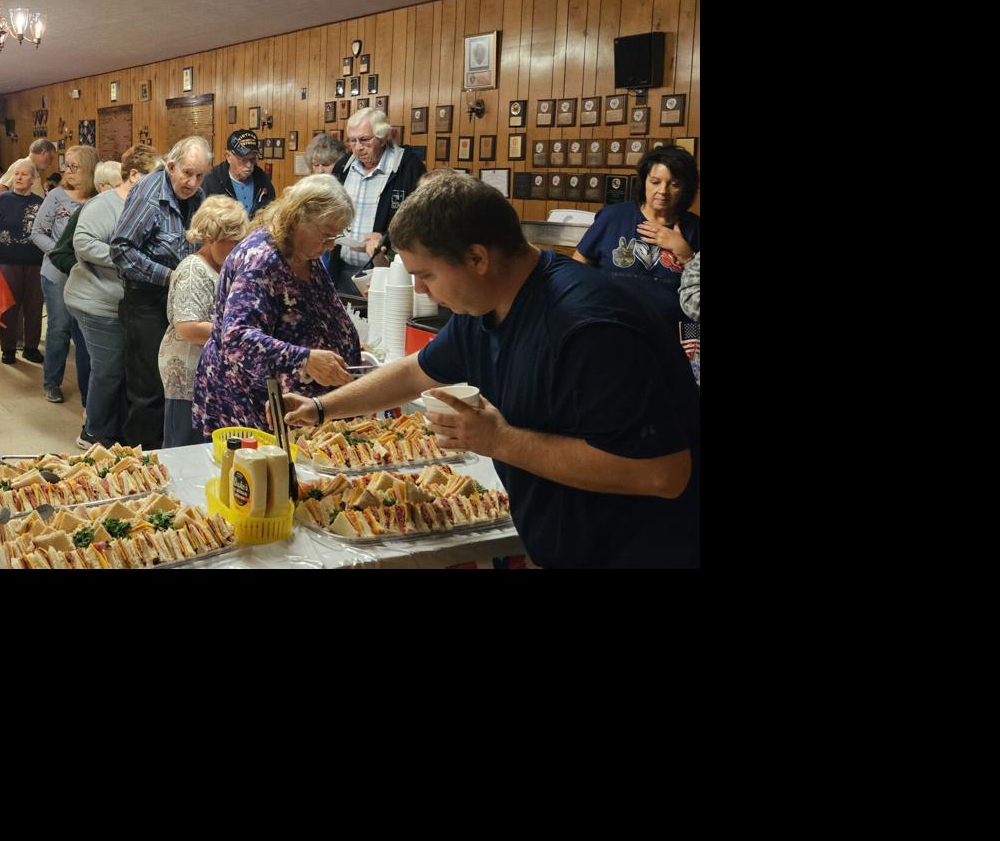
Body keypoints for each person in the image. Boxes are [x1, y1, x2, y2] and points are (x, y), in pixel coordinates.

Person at [281, 174, 699, 568]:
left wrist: (500, 440)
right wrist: (321, 407)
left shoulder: (589, 327)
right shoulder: (485, 305)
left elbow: (662, 473)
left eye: (425, 275)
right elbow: (415, 372)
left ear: (477, 257)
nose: (421, 290)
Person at [191, 174, 358, 436]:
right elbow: (236, 337)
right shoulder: (262, 259)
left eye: (335, 236)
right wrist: (305, 359)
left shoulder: (304, 254)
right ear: (297, 218)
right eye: (325, 235)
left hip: (293, 409)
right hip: (250, 405)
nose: (330, 245)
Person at [110, 136, 211, 449]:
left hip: (176, 301)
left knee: (174, 385)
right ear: (171, 167)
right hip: (145, 302)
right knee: (148, 391)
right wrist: (171, 277)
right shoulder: (149, 193)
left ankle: (167, 458)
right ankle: (141, 464)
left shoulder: (198, 195)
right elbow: (121, 250)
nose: (192, 182)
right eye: (187, 173)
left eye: (199, 176)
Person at [67, 145, 158, 448]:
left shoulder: (144, 203)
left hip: (120, 302)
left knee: (120, 367)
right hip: (95, 301)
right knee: (107, 368)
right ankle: (92, 431)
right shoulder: (103, 205)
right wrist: (125, 257)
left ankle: (111, 428)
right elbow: (82, 243)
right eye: (154, 176)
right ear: (134, 175)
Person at [574, 146, 700, 325]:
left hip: (671, 337)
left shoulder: (694, 227)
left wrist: (686, 254)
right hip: (610, 326)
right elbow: (578, 265)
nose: (663, 191)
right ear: (644, 182)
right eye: (655, 182)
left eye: (674, 184)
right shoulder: (613, 216)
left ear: (686, 188)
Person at [164, 196, 248, 447]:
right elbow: (188, 327)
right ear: (210, 238)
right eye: (231, 242)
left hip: (208, 374)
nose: (236, 248)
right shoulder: (194, 269)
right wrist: (238, 333)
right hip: (189, 373)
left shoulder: (221, 267)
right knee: (184, 445)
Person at [327, 107, 424, 297]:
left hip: (386, 272)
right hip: (343, 269)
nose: (358, 148)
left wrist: (386, 239)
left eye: (364, 140)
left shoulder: (408, 168)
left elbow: (419, 223)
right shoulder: (343, 167)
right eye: (352, 141)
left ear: (382, 137)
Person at [29, 145, 97, 404]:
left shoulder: (98, 198)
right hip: (57, 273)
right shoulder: (56, 196)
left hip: (87, 277)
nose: (67, 171)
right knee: (59, 328)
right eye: (66, 165)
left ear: (89, 169)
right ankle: (51, 382)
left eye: (74, 166)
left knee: (84, 333)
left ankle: (88, 389)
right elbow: (37, 233)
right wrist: (62, 255)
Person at [0, 158, 46, 365]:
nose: (19, 178)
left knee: (34, 307)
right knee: (8, 307)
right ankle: (8, 349)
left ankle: (30, 348)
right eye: (16, 174)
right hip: (7, 261)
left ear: (33, 179)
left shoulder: (40, 204)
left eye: (24, 174)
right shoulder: (0, 201)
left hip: (35, 261)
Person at [199, 130, 275, 218]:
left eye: (253, 159)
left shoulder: (262, 179)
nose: (249, 165)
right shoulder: (212, 181)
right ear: (228, 156)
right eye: (243, 159)